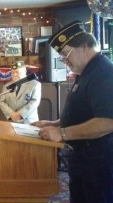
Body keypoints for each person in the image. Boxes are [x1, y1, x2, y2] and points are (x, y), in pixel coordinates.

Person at [33, 21, 113, 203]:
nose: (65, 60)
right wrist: (56, 123)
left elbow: (108, 121)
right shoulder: (87, 71)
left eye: (66, 54)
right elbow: (85, 112)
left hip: (99, 160)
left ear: (85, 46)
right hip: (84, 158)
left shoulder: (103, 73)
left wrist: (62, 133)